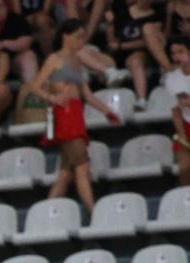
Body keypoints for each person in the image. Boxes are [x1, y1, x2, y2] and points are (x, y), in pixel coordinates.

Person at [38, 20, 122, 211]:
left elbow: (87, 95)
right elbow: (35, 86)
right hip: (66, 115)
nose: (81, 40)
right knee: (82, 169)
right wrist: (53, 97)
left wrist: (108, 112)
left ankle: (45, 213)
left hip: (75, 114)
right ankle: (94, 212)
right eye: (78, 36)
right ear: (65, 37)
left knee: (66, 174)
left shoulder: (75, 61)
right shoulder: (54, 59)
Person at [106, 0, 169, 97]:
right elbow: (112, 43)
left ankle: (141, 99)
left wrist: (122, 46)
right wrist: (110, 24)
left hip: (144, 54)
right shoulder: (122, 11)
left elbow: (149, 42)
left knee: (135, 60)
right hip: (121, 55)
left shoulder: (157, 15)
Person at [170, 38, 190, 182]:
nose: (177, 57)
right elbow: (176, 112)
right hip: (187, 127)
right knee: (185, 169)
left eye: (180, 52)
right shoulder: (172, 79)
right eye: (173, 53)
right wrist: (183, 138)